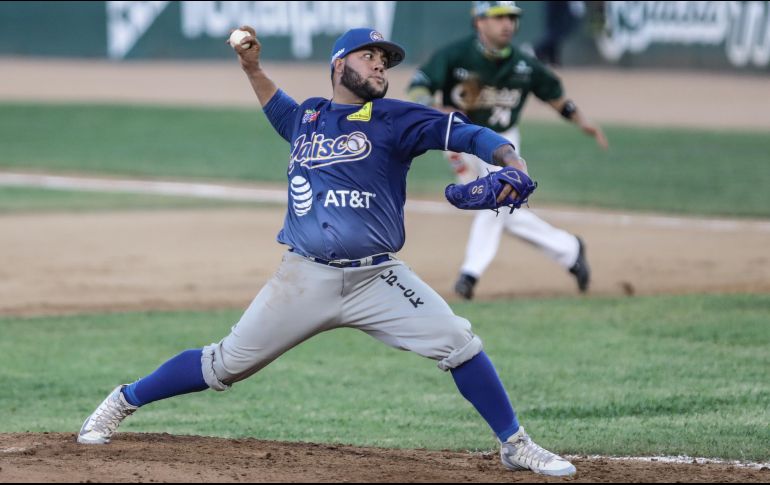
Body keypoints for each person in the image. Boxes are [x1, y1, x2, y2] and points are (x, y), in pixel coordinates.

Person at [75, 26, 576, 477]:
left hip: (379, 278)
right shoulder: (308, 117)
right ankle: (123, 400)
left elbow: (467, 132)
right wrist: (252, 67)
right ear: (340, 64)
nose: (380, 64)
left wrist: (511, 158)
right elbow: (278, 107)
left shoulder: (397, 118)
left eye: (385, 58)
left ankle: (515, 444)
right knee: (223, 365)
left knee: (459, 343)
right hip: (303, 278)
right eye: (368, 55)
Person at [408, 0, 608, 300]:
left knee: (495, 200)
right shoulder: (456, 55)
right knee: (502, 209)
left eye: (512, 18)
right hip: (460, 140)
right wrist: (435, 107)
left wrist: (582, 121)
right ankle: (569, 249)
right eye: (499, 17)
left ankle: (469, 275)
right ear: (479, 21)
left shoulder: (523, 64)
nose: (508, 24)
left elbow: (556, 97)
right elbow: (418, 86)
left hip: (502, 145)